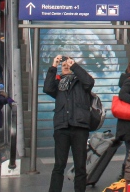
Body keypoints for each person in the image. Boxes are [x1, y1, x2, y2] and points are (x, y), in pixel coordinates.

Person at [45, 54, 95, 192]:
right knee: (59, 164)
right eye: (63, 65)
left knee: (80, 166)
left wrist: (74, 65)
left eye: (68, 65)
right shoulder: (58, 84)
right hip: (62, 127)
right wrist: (53, 65)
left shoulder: (81, 82)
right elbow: (47, 88)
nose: (66, 67)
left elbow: (89, 82)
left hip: (79, 127)